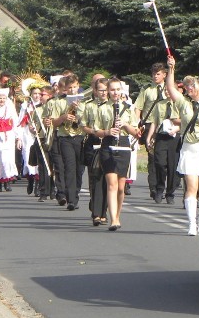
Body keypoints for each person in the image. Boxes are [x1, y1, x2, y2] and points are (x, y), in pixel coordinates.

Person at [93, 77, 141, 230]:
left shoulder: (128, 108)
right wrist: (107, 131)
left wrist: (125, 125)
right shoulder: (102, 108)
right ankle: (113, 219)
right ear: (108, 91)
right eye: (112, 90)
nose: (115, 92)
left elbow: (135, 132)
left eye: (117, 89)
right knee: (112, 184)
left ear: (121, 91)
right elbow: (96, 131)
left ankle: (118, 215)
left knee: (121, 187)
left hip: (124, 146)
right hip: (108, 145)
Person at [165, 56, 199, 235]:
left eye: (193, 86)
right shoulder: (183, 103)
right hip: (190, 148)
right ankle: (191, 223)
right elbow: (171, 88)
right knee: (192, 187)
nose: (189, 88)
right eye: (188, 86)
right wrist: (171, 69)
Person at [144, 68, 182, 205]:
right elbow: (154, 122)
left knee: (172, 166)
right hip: (161, 136)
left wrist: (177, 126)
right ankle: (159, 187)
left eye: (170, 90)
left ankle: (170, 193)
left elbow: (184, 121)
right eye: (166, 90)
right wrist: (149, 137)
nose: (167, 92)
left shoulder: (180, 104)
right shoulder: (159, 104)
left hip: (174, 137)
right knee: (159, 163)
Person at [49, 74, 86, 211]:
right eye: (69, 88)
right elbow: (53, 123)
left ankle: (75, 193)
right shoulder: (59, 101)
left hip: (80, 136)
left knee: (79, 169)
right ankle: (71, 199)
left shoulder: (84, 102)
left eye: (75, 87)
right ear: (65, 88)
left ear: (78, 86)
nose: (72, 90)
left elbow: (88, 121)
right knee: (69, 167)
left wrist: (79, 114)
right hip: (65, 137)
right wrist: (64, 117)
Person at [134, 63, 168, 200]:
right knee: (153, 158)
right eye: (153, 74)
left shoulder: (169, 89)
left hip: (165, 126)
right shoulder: (147, 89)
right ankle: (153, 187)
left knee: (163, 160)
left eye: (158, 74)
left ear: (164, 75)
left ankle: (163, 185)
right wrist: (136, 124)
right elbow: (138, 107)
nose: (155, 76)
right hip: (149, 126)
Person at [80, 77, 110, 226]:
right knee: (95, 178)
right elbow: (83, 125)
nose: (103, 92)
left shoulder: (113, 106)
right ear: (95, 91)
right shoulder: (89, 106)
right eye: (101, 90)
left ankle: (104, 211)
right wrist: (93, 131)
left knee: (107, 179)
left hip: (109, 142)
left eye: (106, 90)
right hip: (93, 142)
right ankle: (96, 213)